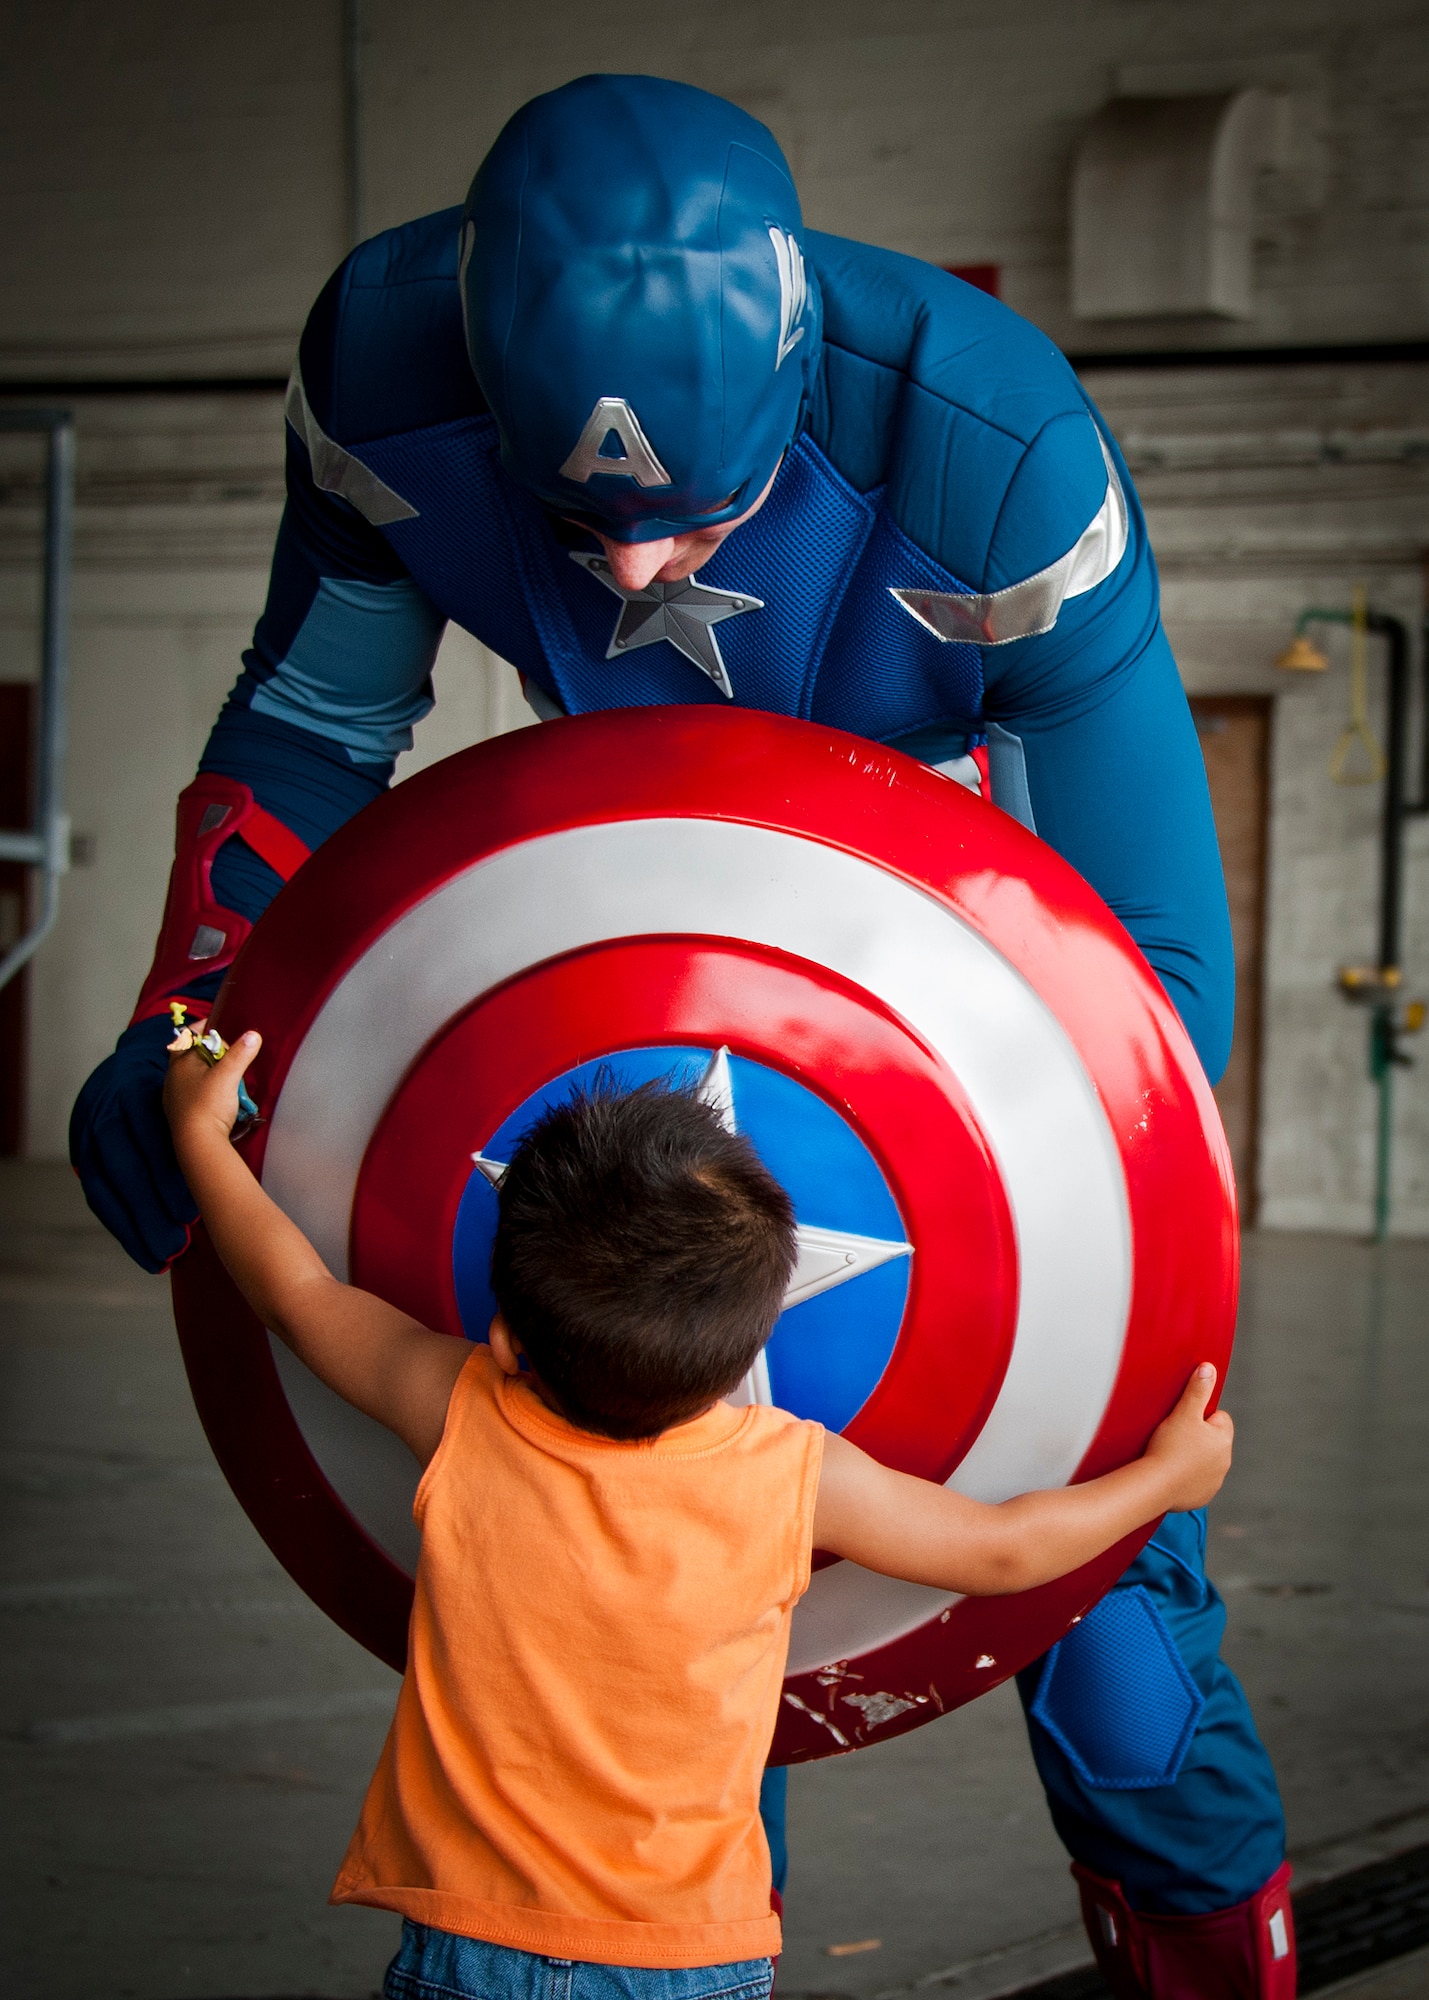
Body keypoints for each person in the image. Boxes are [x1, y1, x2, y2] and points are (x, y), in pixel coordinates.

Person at [72, 73, 1293, 1996]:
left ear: (797, 364)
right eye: (584, 521)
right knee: (639, 1659)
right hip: (624, 1003)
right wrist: (181, 1009)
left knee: (1122, 1668)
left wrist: (1123, 1291)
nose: (633, 573)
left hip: (941, 1032)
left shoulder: (981, 447)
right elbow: (311, 733)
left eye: (691, 516)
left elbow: (1141, 981)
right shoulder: (391, 378)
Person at [164, 1030, 1234, 2000]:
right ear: (749, 1344)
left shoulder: (461, 1408)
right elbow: (1002, 1549)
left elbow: (293, 1293)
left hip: (467, 1944)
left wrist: (199, 1135)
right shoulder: (789, 1471)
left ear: (504, 1336)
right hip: (686, 1960)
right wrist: (1165, 1479)